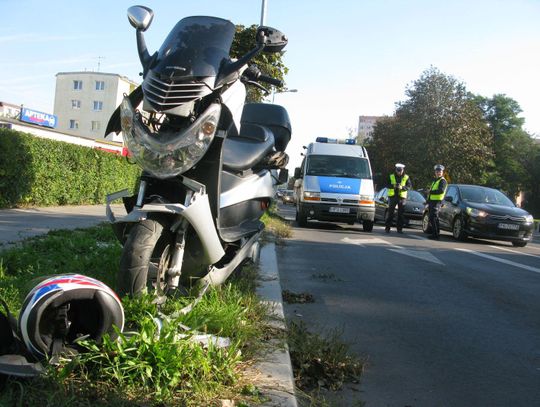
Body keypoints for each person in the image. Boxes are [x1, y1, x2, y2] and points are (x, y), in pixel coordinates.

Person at [385, 163, 412, 234]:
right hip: (393, 196)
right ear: (396, 170)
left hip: (402, 197)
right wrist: (393, 186)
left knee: (401, 214)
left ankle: (399, 229)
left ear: (403, 170)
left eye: (400, 171)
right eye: (398, 171)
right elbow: (387, 185)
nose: (399, 172)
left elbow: (409, 186)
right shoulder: (391, 176)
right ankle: (387, 228)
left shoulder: (406, 177)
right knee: (390, 213)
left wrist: (402, 187)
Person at [427, 164, 448, 240]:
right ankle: (435, 233)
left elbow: (441, 190)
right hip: (432, 201)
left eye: (440, 171)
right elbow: (431, 192)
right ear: (435, 172)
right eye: (437, 171)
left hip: (437, 201)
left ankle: (436, 235)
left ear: (442, 172)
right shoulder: (435, 180)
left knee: (434, 217)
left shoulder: (442, 181)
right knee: (433, 217)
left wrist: (431, 192)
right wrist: (428, 201)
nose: (438, 173)